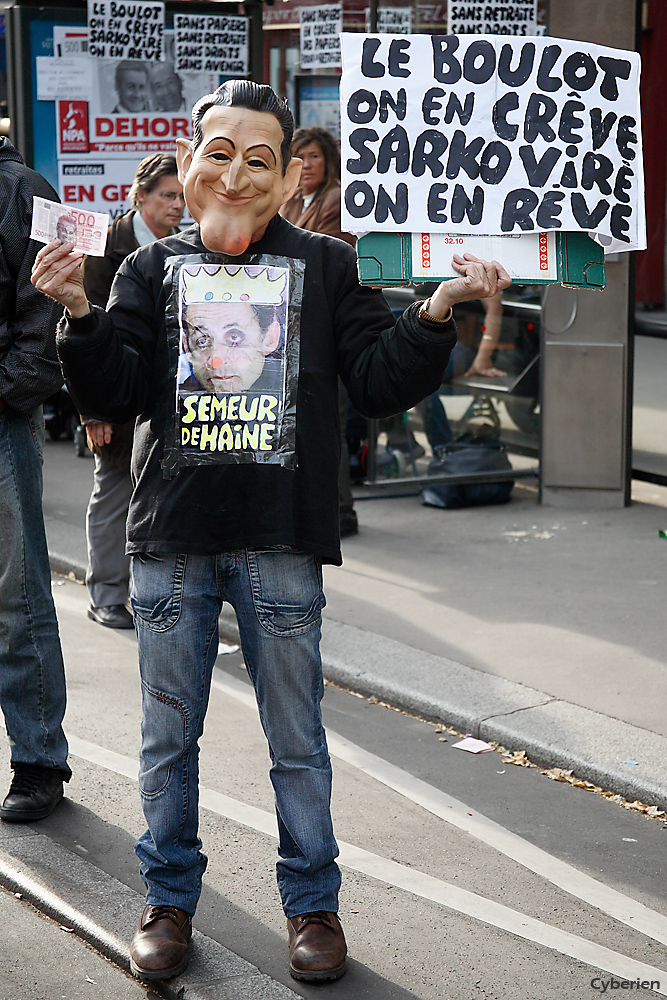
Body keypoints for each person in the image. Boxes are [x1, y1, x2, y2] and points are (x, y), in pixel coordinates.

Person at [32, 80, 510, 984]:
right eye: (221, 153)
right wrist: (81, 318)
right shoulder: (148, 270)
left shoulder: (327, 268)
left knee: (298, 739)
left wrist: (437, 307)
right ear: (189, 162)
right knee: (168, 738)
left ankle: (313, 911)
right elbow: (117, 391)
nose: (238, 173)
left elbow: (375, 378)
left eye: (261, 157)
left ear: (290, 175)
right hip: (171, 538)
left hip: (282, 540)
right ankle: (168, 903)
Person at [81, 153, 185, 629]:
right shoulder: (106, 247)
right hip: (117, 397)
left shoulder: (183, 245)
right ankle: (105, 594)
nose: (178, 205)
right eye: (168, 196)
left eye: (183, 196)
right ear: (140, 196)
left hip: (170, 397)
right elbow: (81, 333)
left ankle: (154, 597)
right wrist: (92, 409)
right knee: (114, 492)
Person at [0, 137, 71, 822]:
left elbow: (47, 310)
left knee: (16, 599)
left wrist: (8, 392)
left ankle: (39, 760)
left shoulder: (25, 187)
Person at [280, 127, 359, 537]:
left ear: (328, 160)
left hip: (325, 328)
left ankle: (341, 511)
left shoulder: (335, 199)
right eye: (299, 157)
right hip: (293, 329)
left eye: (314, 156)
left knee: (329, 423)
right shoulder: (292, 200)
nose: (307, 165)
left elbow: (319, 259)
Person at [180, 299, 282, 393]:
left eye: (234, 338)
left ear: (270, 339)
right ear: (187, 346)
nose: (216, 362)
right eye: (202, 341)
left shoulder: (290, 399)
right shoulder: (176, 404)